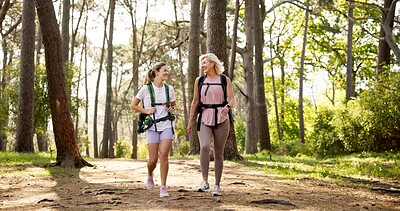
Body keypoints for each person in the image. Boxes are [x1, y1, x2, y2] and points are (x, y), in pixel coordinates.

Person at [187, 53, 235, 196]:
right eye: (202, 63)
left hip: (221, 117)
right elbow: (195, 101)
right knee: (205, 146)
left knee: (219, 153)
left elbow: (232, 99)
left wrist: (227, 107)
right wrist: (190, 120)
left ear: (212, 63)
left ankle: (217, 185)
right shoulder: (199, 80)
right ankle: (204, 181)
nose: (202, 66)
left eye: (204, 63)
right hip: (204, 116)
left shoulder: (224, 79)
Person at [130, 62, 176, 198]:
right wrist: (146, 110)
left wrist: (172, 109)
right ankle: (150, 175)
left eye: (167, 70)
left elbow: (174, 106)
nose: (167, 73)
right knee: (153, 160)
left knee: (164, 155)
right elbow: (133, 105)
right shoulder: (145, 89)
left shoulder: (170, 89)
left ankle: (163, 187)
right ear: (156, 71)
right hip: (152, 127)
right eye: (165, 70)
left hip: (167, 125)